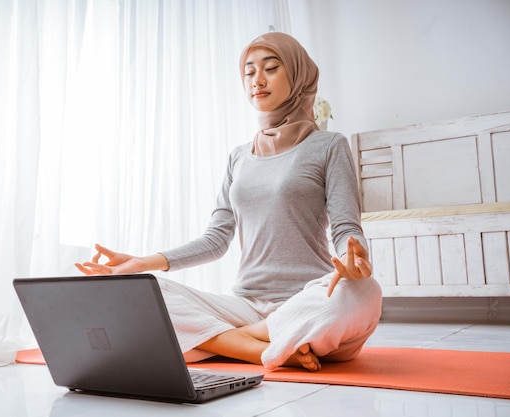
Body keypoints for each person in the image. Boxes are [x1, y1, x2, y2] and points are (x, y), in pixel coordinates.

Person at [76, 32, 382, 371]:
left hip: (308, 299)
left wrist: (352, 257)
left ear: (297, 76)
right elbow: (215, 240)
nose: (257, 80)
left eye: (271, 68)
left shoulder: (328, 145)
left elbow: (345, 227)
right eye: (249, 72)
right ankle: (260, 349)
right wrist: (140, 262)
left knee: (366, 293)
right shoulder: (239, 157)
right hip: (245, 304)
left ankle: (229, 341)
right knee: (138, 294)